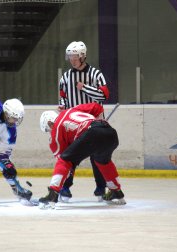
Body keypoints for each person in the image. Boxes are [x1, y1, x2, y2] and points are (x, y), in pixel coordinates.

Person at [39, 103, 126, 208]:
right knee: (102, 161)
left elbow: (62, 160)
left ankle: (52, 194)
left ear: (50, 123)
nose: (50, 133)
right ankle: (116, 192)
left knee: (64, 159)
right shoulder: (72, 110)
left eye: (48, 130)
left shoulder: (56, 128)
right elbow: (97, 107)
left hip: (92, 133)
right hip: (110, 132)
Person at [57, 41, 110, 202]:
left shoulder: (96, 74)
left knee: (98, 157)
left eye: (74, 56)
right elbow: (63, 100)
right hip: (75, 124)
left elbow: (104, 95)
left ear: (82, 56)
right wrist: (62, 110)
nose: (72, 60)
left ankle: (101, 188)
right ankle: (65, 187)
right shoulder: (65, 77)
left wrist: (84, 88)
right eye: (70, 57)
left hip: (94, 124)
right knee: (70, 155)